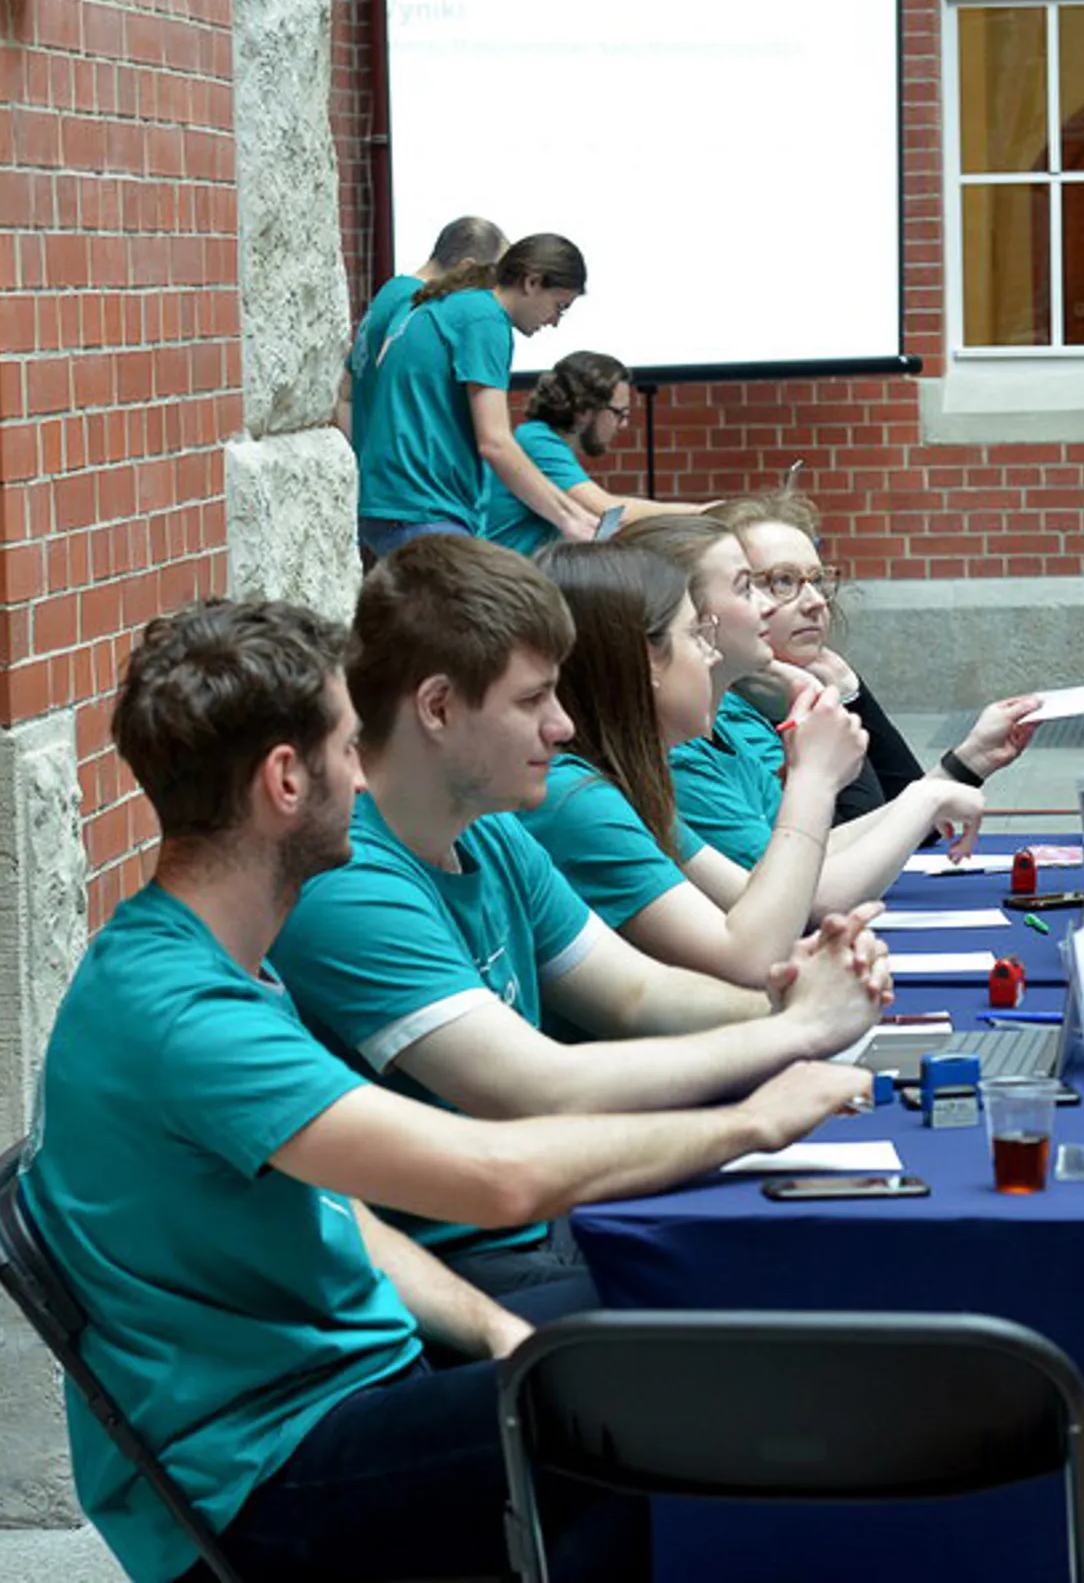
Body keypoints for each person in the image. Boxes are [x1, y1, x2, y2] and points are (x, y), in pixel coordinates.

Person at [19, 596, 871, 1583]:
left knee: (661, 1344)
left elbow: (342, 1216)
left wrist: (498, 1329)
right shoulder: (181, 1008)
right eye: (349, 748)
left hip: (350, 1388)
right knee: (669, 1399)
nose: (363, 776)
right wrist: (753, 1121)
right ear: (286, 780)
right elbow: (497, 1176)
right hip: (264, 1466)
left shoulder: (215, 958)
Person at [267, 536, 892, 1307]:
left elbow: (640, 995)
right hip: (453, 1271)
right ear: (437, 708)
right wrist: (797, 1030)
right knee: (792, 1292)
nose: (563, 727)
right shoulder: (349, 880)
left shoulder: (489, 829)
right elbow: (538, 1087)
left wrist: (798, 995)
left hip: (545, 1220)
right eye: (532, 700)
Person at [519, 541, 863, 987]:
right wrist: (812, 781)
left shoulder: (633, 779)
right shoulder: (574, 795)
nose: (712, 654)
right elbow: (753, 954)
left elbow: (758, 903)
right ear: (647, 659)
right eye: (697, 634)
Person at [616, 513, 988, 904]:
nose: (767, 606)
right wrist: (819, 770)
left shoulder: (717, 732)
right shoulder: (677, 756)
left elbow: (811, 851)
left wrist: (944, 783)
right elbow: (802, 899)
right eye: (753, 586)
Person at [720, 492, 1040, 823]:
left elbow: (903, 821)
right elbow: (853, 835)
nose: (816, 602)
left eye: (816, 580)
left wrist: (973, 757)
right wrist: (823, 703)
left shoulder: (785, 690)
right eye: (782, 581)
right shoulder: (731, 719)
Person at [354, 234, 594, 559]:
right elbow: (495, 443)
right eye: (559, 307)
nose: (554, 322)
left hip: (398, 505)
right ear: (532, 282)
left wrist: (573, 514)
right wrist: (569, 519)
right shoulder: (485, 319)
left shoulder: (456, 305)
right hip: (422, 508)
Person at [482, 351, 706, 554]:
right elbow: (608, 512)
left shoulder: (540, 439)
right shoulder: (537, 441)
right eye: (619, 413)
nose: (624, 424)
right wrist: (701, 513)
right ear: (585, 409)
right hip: (504, 581)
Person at [336, 215, 503, 445]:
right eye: (490, 280)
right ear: (467, 267)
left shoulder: (391, 291)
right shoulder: (419, 304)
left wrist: (361, 455)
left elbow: (346, 394)